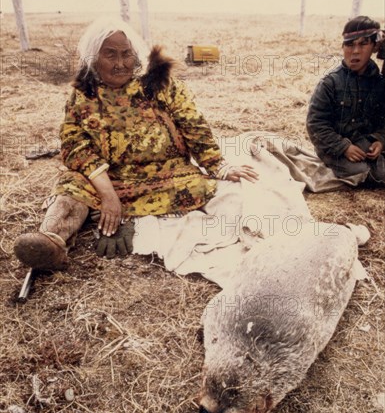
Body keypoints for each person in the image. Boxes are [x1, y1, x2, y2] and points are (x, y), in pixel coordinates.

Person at [14, 17, 258, 271]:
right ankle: (51, 243)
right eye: (110, 55)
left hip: (170, 177)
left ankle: (123, 215)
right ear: (93, 58)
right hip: (112, 180)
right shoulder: (84, 95)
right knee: (70, 185)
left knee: (227, 194)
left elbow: (192, 123)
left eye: (126, 54)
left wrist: (217, 165)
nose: (120, 64)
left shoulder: (158, 84)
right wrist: (108, 194)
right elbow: (74, 147)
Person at [306, 16, 385, 185]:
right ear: (343, 47)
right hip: (334, 149)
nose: (355, 51)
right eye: (350, 44)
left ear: (374, 46)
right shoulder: (331, 83)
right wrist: (344, 147)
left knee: (381, 173)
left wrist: (380, 141)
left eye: (363, 44)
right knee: (360, 172)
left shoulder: (380, 83)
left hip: (365, 145)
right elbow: (316, 124)